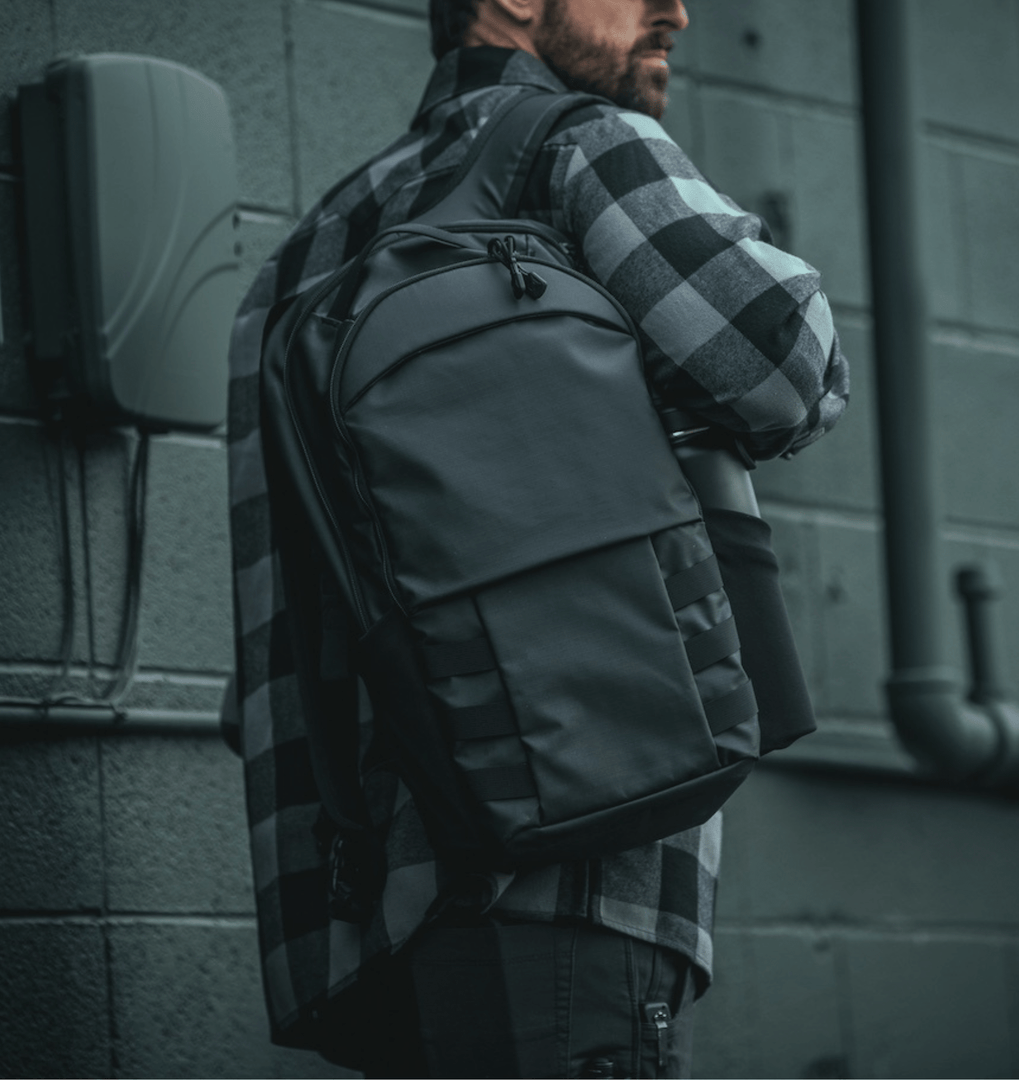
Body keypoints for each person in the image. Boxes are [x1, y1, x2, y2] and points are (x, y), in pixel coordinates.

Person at [226, 0, 849, 1075]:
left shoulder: (294, 264)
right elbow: (780, 362)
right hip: (574, 887)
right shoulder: (582, 146)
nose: (676, 9)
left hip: (373, 933)